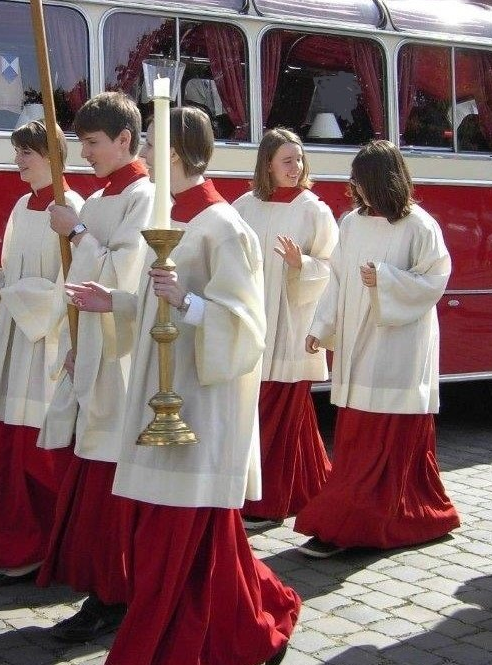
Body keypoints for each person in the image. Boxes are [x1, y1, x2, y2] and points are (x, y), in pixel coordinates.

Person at [66, 106, 299, 665]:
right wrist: (115, 302)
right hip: (158, 399)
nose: (142, 154)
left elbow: (246, 326)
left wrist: (188, 302)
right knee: (178, 534)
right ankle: (245, 625)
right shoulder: (171, 222)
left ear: (173, 154)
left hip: (201, 404)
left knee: (183, 533)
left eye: (149, 145)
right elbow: (154, 309)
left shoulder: (223, 226)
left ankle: (183, 642)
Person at [294, 139, 459, 559]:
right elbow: (335, 278)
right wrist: (322, 326)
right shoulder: (351, 224)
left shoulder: (419, 226)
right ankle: (361, 513)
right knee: (357, 436)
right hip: (356, 343)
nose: (356, 189)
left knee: (386, 436)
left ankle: (369, 519)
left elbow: (434, 281)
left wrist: (386, 280)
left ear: (384, 181)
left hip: (398, 346)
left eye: (363, 181)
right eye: (355, 181)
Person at [35, 92, 153, 641]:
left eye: (93, 143)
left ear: (125, 139)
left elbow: (126, 275)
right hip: (91, 352)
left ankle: (117, 590)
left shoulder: (143, 197)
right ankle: (101, 585)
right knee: (88, 471)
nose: (84, 154)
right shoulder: (104, 196)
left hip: (121, 359)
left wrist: (77, 233)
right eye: (81, 143)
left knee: (110, 479)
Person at [0, 120, 83, 586]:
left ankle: (46, 545)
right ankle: (13, 543)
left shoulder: (70, 209)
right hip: (15, 337)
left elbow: (71, 287)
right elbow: (10, 273)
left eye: (25, 152)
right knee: (8, 442)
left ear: (51, 155)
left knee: (41, 451)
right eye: (17, 151)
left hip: (49, 343)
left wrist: (12, 293)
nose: (18, 160)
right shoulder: (20, 206)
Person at [232, 129, 336, 530]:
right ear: (267, 165)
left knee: (278, 410)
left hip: (293, 325)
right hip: (256, 320)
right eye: (287, 160)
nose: (296, 167)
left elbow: (333, 269)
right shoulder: (245, 206)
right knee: (279, 414)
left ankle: (268, 500)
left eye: (299, 159)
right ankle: (309, 487)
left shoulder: (314, 210)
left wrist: (302, 265)